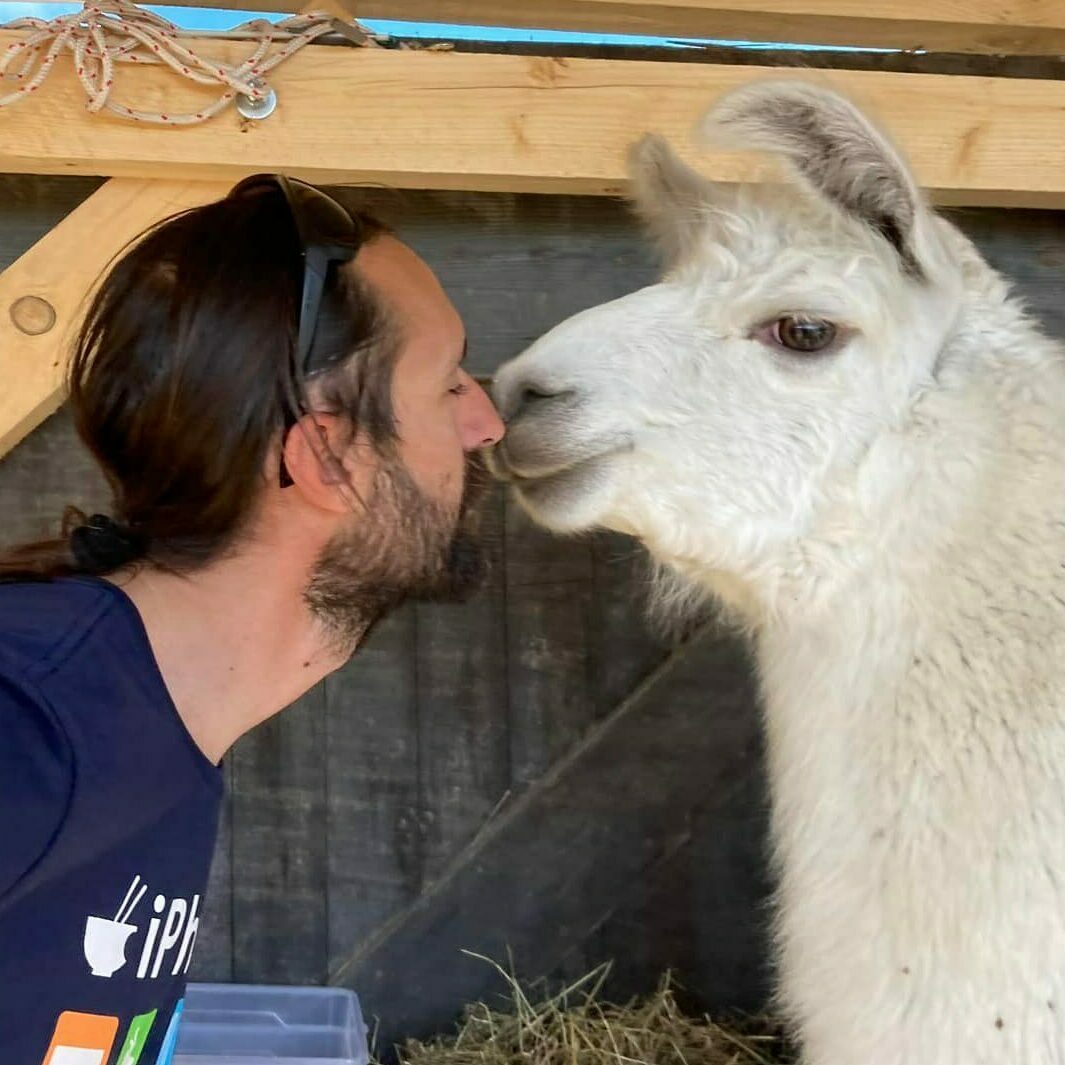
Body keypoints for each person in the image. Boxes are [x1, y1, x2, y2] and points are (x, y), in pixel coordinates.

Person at [0, 174, 505, 1065]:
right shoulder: (27, 724)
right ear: (324, 458)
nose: (487, 421)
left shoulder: (147, 716)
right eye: (447, 384)